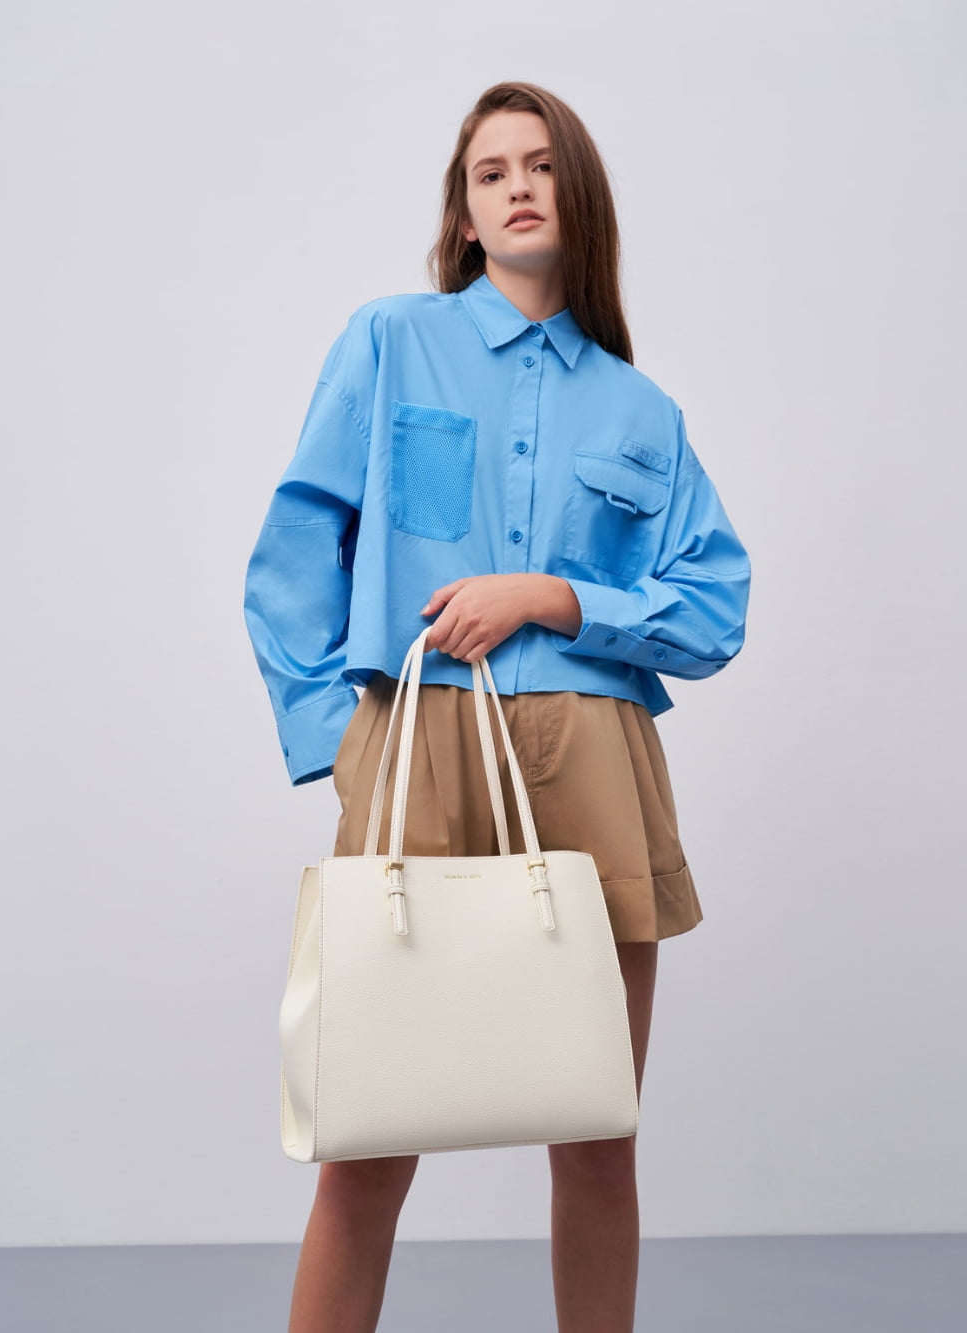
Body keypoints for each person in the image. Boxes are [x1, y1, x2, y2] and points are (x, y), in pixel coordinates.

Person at [243, 80, 751, 1333]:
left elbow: (714, 608)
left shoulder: (641, 410)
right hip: (417, 744)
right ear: (464, 216)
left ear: (579, 197)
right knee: (368, 1137)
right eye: (490, 172)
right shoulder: (391, 340)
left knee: (596, 1133)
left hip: (593, 757)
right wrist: (345, 742)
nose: (518, 185)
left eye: (541, 165)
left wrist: (553, 597)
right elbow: (297, 544)